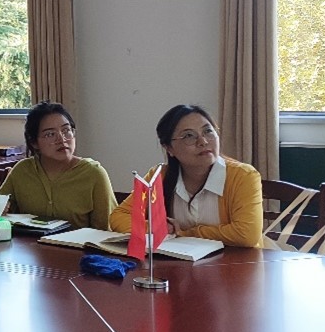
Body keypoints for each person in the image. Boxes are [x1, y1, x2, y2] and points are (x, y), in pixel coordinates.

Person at [108, 104, 266, 248]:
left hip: (238, 265)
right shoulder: (159, 176)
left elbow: (246, 235)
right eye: (189, 136)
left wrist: (185, 233)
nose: (203, 141)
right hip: (180, 265)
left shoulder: (244, 176)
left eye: (208, 131)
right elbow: (119, 216)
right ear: (169, 148)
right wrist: (158, 227)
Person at [0, 102, 116, 229]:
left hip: (78, 242)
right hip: (30, 242)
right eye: (50, 134)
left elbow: (107, 231)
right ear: (34, 142)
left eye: (66, 130)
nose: (62, 139)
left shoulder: (94, 174)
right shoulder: (22, 170)